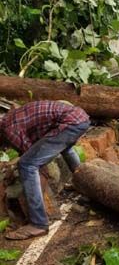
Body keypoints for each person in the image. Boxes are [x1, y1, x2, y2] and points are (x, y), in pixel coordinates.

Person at [1, 101, 90, 240]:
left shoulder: (8, 130)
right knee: (65, 148)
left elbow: (29, 154)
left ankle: (38, 223)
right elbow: (34, 147)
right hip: (79, 118)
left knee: (27, 165)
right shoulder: (9, 119)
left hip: (70, 123)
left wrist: (41, 173)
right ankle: (86, 185)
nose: (4, 148)